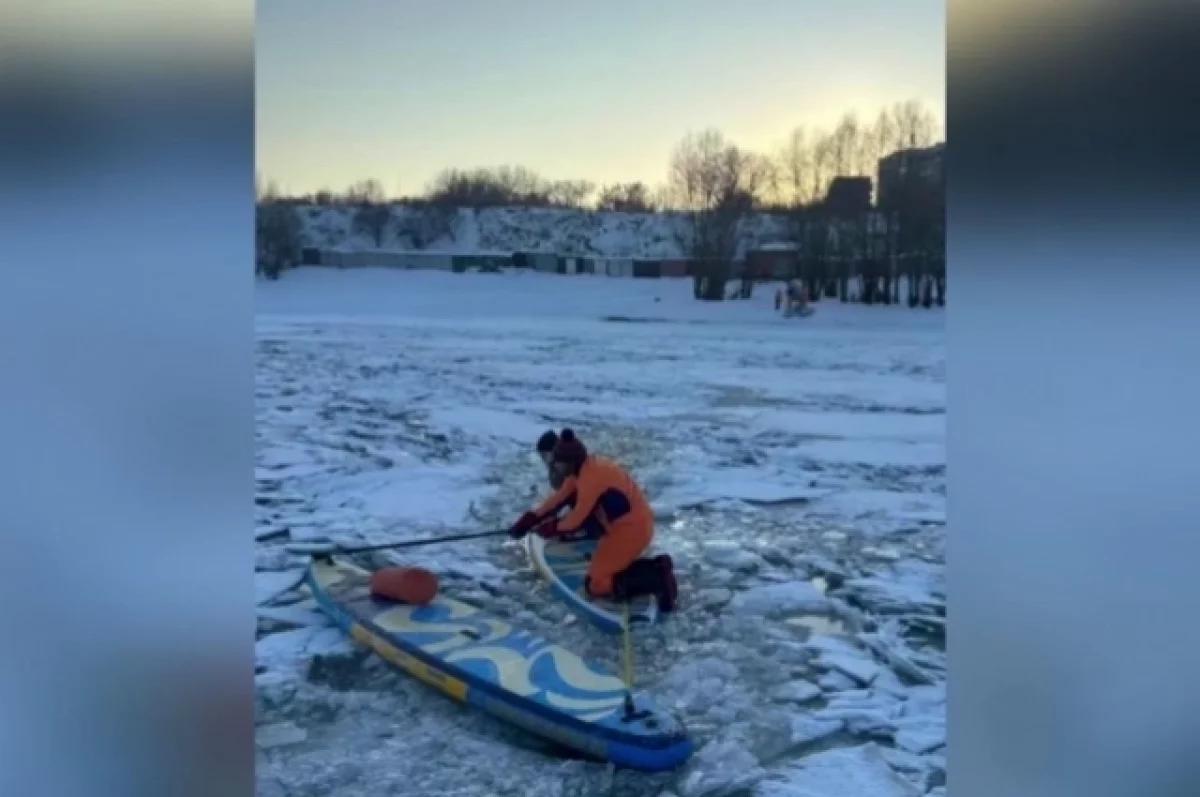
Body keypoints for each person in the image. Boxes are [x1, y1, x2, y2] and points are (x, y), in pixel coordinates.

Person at [509, 429, 676, 609]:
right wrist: (530, 519)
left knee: (595, 585)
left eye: (558, 463)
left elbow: (575, 520)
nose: (554, 467)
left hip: (631, 531)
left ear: (569, 462)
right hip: (620, 529)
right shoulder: (581, 471)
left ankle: (657, 577)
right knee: (598, 575)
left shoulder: (592, 479)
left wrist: (550, 528)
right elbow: (556, 501)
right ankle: (650, 569)